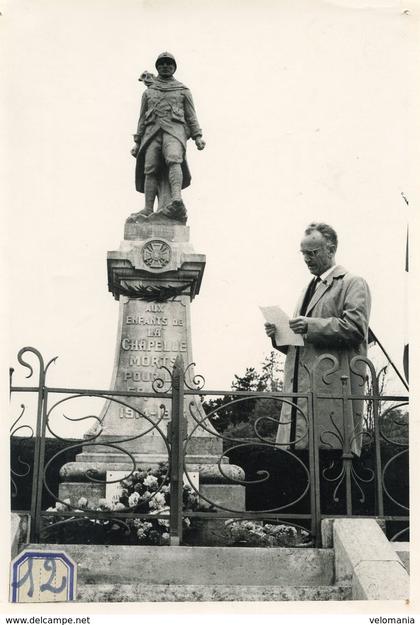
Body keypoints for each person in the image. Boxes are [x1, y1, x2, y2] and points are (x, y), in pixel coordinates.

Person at [265, 223, 371, 456]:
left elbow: (355, 329)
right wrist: (280, 335)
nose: (306, 259)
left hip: (330, 399)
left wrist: (309, 325)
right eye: (303, 253)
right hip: (298, 400)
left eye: (312, 253)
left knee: (329, 467)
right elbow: (304, 346)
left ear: (331, 250)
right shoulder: (306, 289)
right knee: (298, 470)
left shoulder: (352, 283)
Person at [129, 52, 205, 222]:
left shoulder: (183, 90)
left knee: (174, 159)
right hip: (152, 132)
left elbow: (191, 115)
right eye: (162, 64)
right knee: (150, 167)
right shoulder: (149, 92)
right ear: (157, 67)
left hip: (174, 130)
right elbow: (141, 118)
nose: (165, 66)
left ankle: (176, 199)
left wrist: (198, 136)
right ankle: (148, 208)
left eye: (169, 64)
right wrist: (137, 141)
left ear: (174, 67)